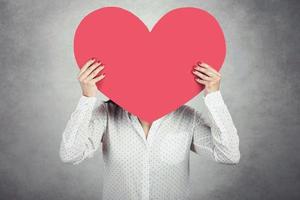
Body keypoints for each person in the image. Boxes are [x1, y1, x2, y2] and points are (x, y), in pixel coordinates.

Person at [59, 58, 240, 200]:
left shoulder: (187, 117)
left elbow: (229, 155)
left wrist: (213, 96)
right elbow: (70, 154)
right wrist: (87, 97)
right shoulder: (106, 114)